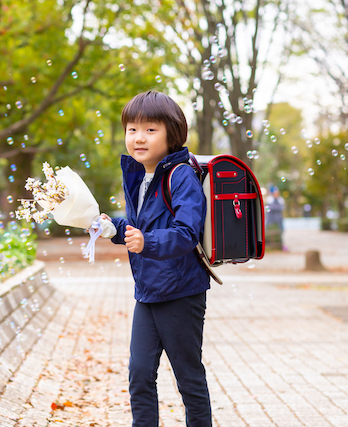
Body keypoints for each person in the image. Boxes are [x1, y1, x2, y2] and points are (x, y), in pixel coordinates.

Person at [100, 91, 212, 426]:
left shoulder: (181, 176)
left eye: (150, 130)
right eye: (132, 129)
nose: (138, 138)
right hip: (148, 291)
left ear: (171, 134)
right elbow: (138, 229)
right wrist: (111, 228)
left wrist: (146, 241)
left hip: (181, 292)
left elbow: (185, 233)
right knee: (139, 375)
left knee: (188, 378)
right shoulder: (140, 176)